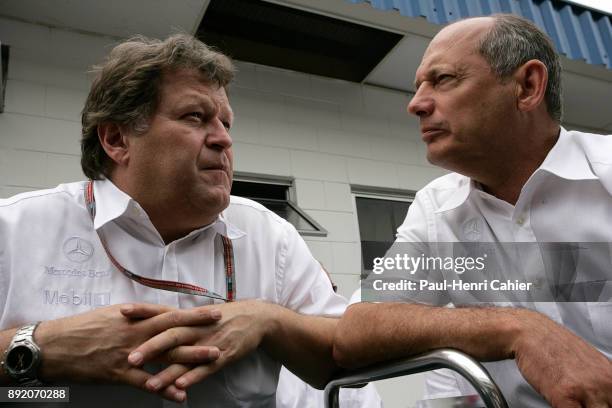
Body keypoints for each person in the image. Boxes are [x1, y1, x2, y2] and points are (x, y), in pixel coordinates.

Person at [0, 34, 346, 407]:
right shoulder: (14, 229)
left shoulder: (272, 237)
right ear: (117, 139)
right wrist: (37, 348)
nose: (223, 140)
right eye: (195, 117)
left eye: (226, 124)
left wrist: (269, 321)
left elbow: (344, 355)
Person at [334, 14, 612, 407]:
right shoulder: (437, 207)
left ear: (527, 86)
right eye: (418, 87)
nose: (416, 104)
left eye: (443, 79)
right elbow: (357, 329)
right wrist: (517, 330)